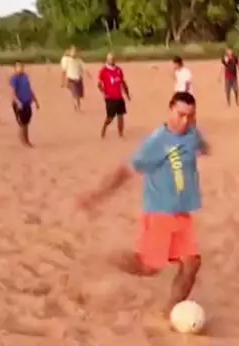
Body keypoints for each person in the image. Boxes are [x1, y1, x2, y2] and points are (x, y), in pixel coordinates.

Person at [78, 91, 209, 317]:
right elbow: (125, 171)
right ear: (169, 111)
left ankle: (171, 312)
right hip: (159, 212)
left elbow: (199, 144)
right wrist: (97, 196)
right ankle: (104, 260)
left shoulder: (192, 133)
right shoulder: (156, 142)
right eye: (180, 115)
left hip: (181, 213)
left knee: (192, 264)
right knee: (148, 268)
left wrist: (203, 147)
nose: (185, 121)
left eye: (190, 116)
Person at [98, 53, 131, 139]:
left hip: (119, 97)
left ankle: (121, 133)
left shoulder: (119, 70)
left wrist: (127, 94)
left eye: (113, 59)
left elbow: (123, 82)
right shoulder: (103, 70)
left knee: (121, 116)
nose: (112, 60)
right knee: (110, 117)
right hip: (110, 98)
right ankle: (104, 127)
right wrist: (104, 93)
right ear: (107, 60)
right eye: (110, 59)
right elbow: (99, 84)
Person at [9, 61, 40, 147]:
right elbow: (12, 92)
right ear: (15, 69)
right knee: (22, 123)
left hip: (27, 102)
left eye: (22, 67)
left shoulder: (25, 76)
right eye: (18, 67)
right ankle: (25, 141)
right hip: (19, 104)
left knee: (26, 123)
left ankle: (24, 139)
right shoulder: (14, 78)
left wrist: (35, 100)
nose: (21, 68)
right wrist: (18, 102)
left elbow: (29, 89)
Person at [61, 45, 88, 111]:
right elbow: (63, 71)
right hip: (70, 78)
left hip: (78, 79)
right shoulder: (66, 60)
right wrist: (62, 81)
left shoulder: (79, 60)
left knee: (78, 94)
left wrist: (88, 74)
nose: (74, 53)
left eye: (75, 52)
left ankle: (78, 105)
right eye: (72, 51)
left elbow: (84, 68)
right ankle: (75, 104)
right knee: (73, 93)